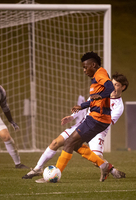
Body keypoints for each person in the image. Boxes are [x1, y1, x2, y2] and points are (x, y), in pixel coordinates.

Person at [22, 72, 128, 183]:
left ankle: (110, 169)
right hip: (84, 124)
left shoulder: (119, 107)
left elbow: (104, 121)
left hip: (98, 131)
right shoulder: (100, 93)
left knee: (94, 158)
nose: (113, 87)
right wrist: (72, 117)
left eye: (117, 85)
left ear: (123, 87)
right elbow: (85, 106)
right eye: (112, 83)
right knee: (56, 143)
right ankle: (38, 168)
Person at [55, 51, 115, 182]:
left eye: (85, 66)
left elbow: (110, 87)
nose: (84, 70)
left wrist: (102, 95)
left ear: (93, 65)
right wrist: (82, 106)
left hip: (97, 118)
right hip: (96, 117)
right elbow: (96, 99)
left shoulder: (100, 73)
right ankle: (104, 165)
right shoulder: (96, 80)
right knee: (75, 145)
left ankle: (55, 174)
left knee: (70, 142)